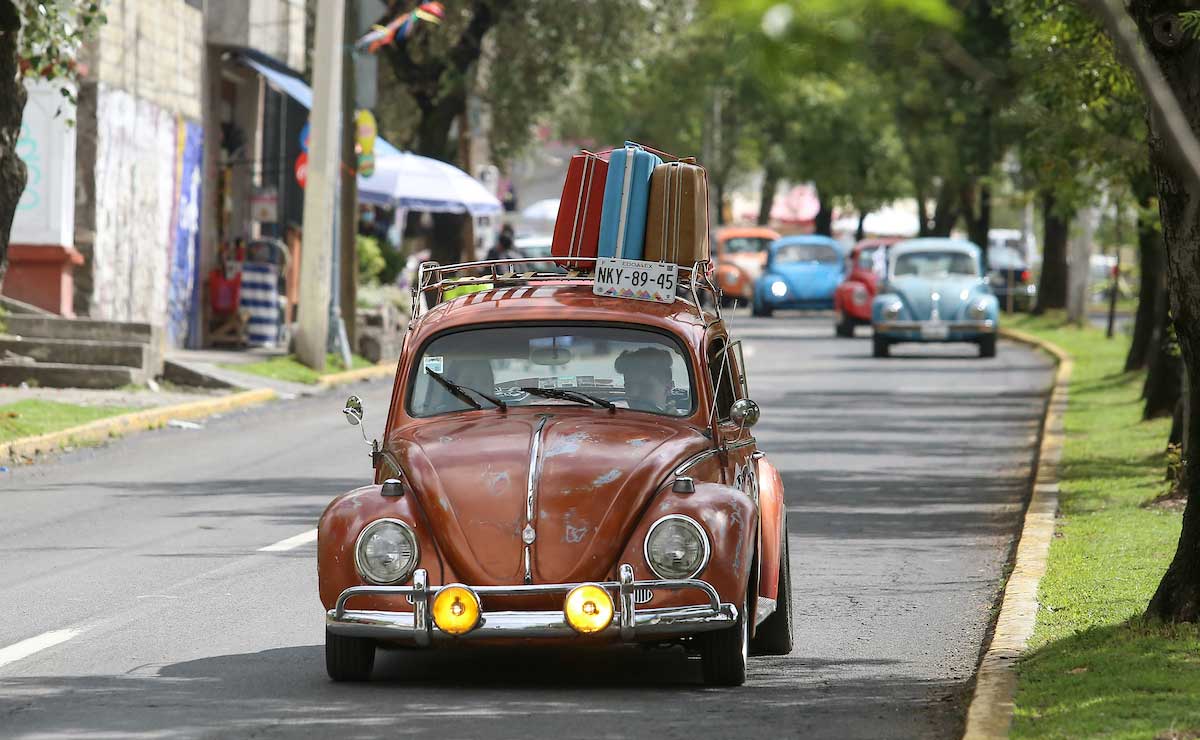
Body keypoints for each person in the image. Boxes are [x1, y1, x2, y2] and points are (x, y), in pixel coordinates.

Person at [615, 347, 675, 414]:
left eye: (645, 386)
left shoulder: (680, 422)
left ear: (668, 388)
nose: (633, 393)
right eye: (629, 387)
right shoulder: (616, 417)